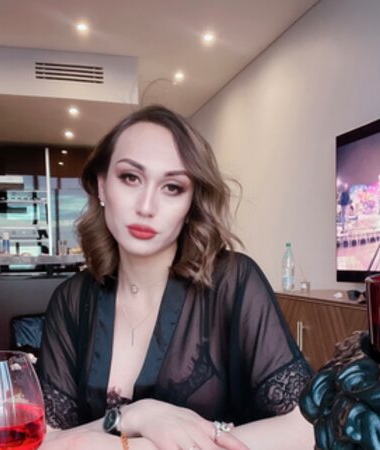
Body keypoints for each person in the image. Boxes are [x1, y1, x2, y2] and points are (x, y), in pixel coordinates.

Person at [37, 105, 314, 450]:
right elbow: (46, 440)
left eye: (172, 187)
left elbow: (305, 427)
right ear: (102, 186)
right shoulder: (71, 300)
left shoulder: (232, 281)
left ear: (191, 203)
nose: (146, 206)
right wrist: (136, 416)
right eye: (130, 178)